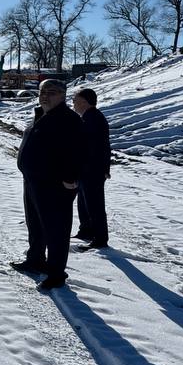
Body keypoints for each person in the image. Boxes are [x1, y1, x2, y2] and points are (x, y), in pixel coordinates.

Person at [9, 78, 84, 290]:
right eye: (42, 91)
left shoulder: (69, 120)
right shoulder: (41, 115)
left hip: (55, 185)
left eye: (51, 92)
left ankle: (56, 273)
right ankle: (35, 259)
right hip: (34, 181)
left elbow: (77, 152)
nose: (45, 95)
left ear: (63, 95)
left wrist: (70, 179)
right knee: (35, 224)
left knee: (56, 230)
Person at [71, 87, 111, 250]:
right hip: (86, 169)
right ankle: (86, 230)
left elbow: (98, 147)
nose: (73, 104)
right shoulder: (88, 117)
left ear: (83, 102)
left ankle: (100, 238)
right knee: (83, 201)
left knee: (95, 204)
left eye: (75, 101)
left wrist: (103, 168)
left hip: (92, 169)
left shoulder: (93, 118)